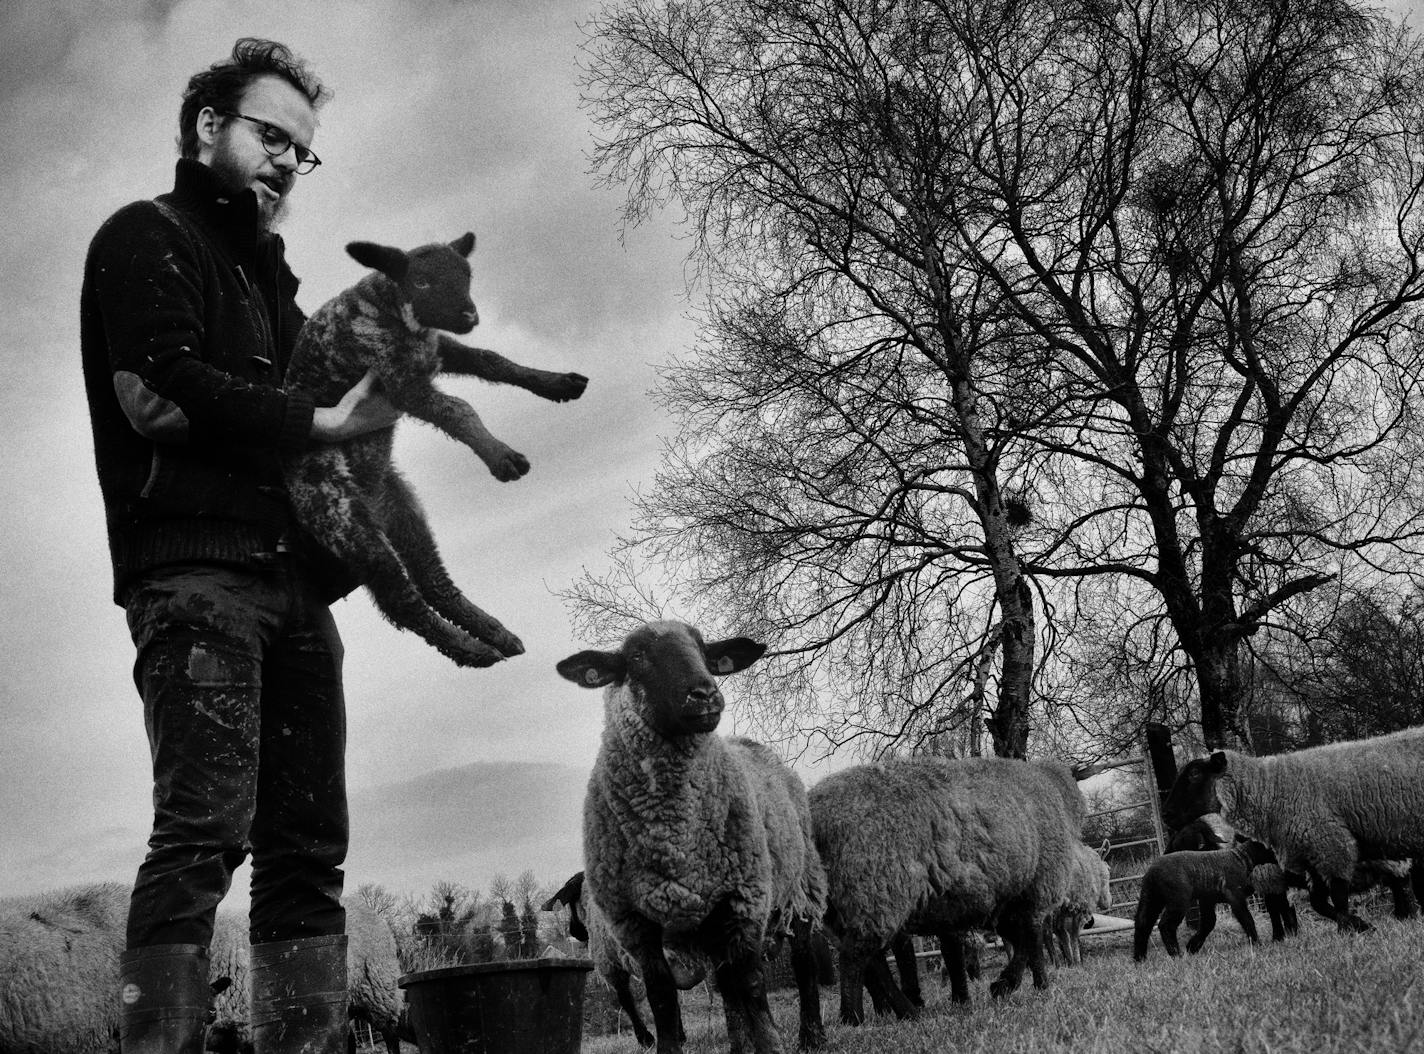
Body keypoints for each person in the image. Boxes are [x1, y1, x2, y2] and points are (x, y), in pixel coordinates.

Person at [80, 39, 399, 1054]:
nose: (284, 162)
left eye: (301, 153)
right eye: (271, 135)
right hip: (196, 578)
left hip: (291, 588)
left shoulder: (273, 283)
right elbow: (158, 392)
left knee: (308, 851)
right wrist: (315, 424)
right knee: (204, 832)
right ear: (208, 126)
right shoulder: (147, 235)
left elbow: (327, 415)